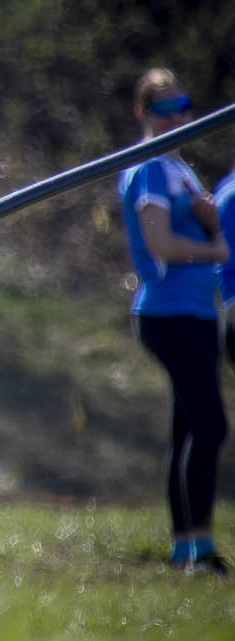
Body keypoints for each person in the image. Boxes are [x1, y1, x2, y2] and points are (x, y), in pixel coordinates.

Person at [118, 68, 228, 574]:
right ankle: (198, 549)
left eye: (181, 104)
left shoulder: (178, 167)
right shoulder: (151, 169)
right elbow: (159, 245)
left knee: (188, 429)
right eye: (162, 108)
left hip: (196, 311)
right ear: (143, 114)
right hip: (170, 311)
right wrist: (215, 246)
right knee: (210, 426)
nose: (177, 116)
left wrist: (209, 226)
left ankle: (187, 547)